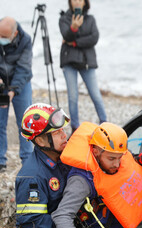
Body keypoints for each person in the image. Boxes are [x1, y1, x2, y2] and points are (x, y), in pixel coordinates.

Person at [0, 16, 33, 174]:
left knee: (25, 124)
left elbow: (24, 68)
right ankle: (0, 162)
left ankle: (27, 162)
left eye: (4, 37)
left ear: (15, 34)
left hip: (20, 84)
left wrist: (13, 91)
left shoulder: (25, 40)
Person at [59, 0, 107, 132]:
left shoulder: (90, 19)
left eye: (80, 0)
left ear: (85, 2)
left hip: (87, 61)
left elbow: (94, 38)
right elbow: (65, 35)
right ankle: (75, 127)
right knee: (73, 95)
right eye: (74, 0)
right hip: (69, 61)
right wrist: (73, 27)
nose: (77, 2)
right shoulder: (64, 18)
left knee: (95, 94)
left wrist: (73, 43)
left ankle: (104, 123)